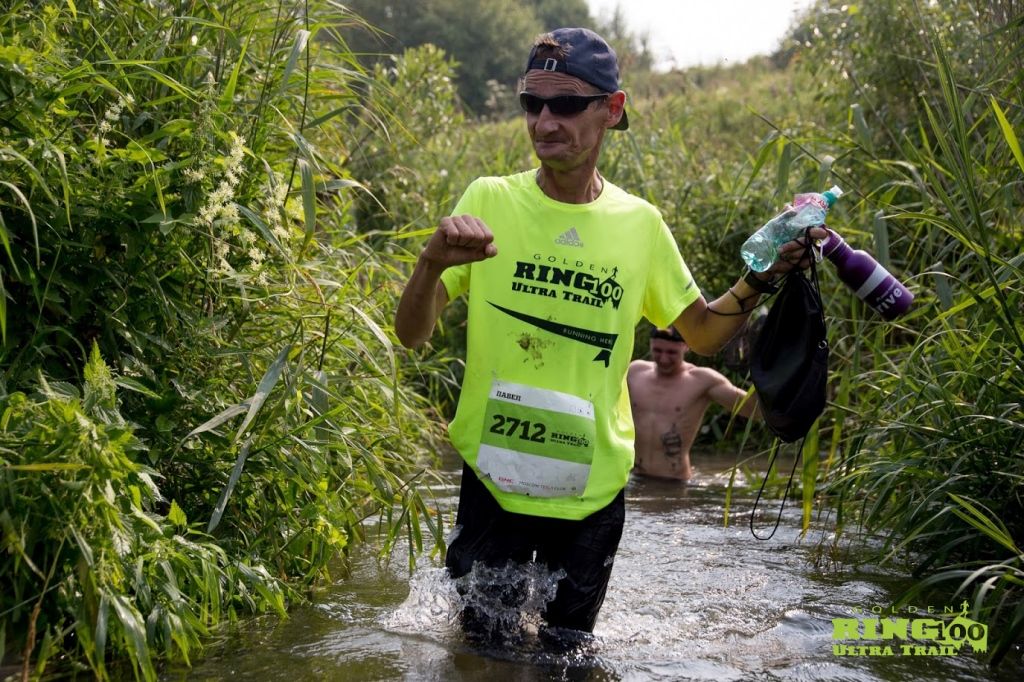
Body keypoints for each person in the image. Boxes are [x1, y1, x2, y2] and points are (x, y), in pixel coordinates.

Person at [394, 27, 824, 638]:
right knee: (483, 656)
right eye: (532, 103)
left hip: (592, 495)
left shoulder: (640, 224)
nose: (545, 121)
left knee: (567, 657)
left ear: (611, 109)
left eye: (566, 104)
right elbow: (411, 335)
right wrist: (431, 261)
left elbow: (701, 333)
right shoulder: (489, 199)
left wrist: (762, 275)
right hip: (495, 482)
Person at [628, 326, 758, 482]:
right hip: (634, 478)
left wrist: (758, 366)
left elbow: (755, 410)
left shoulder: (702, 381)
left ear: (686, 347)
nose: (663, 359)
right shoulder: (634, 373)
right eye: (657, 351)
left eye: (671, 353)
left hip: (675, 482)